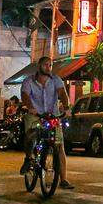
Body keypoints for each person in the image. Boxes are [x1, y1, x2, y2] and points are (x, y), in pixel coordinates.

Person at [20, 55, 73, 189]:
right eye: (45, 65)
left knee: (59, 146)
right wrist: (30, 108)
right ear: (39, 66)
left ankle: (64, 179)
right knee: (30, 135)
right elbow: (25, 95)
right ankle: (28, 158)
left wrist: (66, 108)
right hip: (36, 114)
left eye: (50, 65)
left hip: (52, 116)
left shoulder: (56, 80)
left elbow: (62, 94)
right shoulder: (28, 81)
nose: (48, 67)